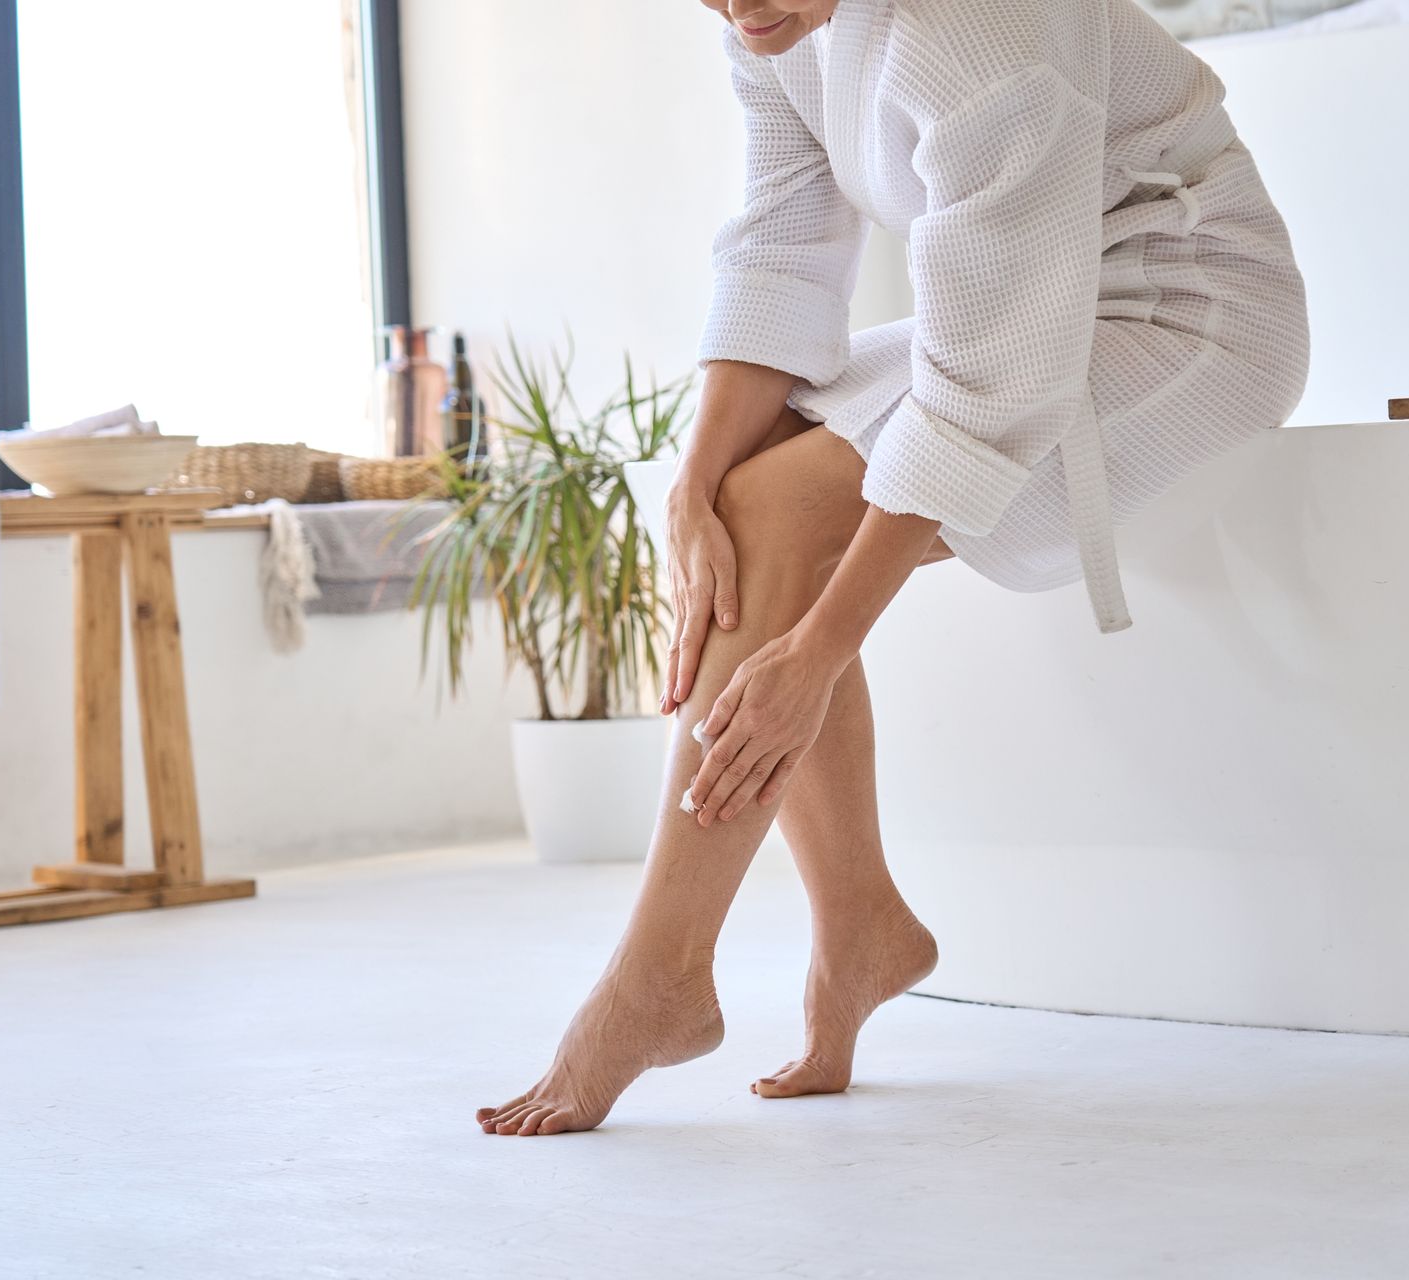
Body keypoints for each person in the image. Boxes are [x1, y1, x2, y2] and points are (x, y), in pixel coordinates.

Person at [476, 0, 1310, 1137]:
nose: (737, 4)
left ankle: (660, 973)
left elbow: (991, 381)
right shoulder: (769, 16)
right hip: (1035, 303)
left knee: (779, 508)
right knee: (744, 478)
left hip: (1184, 307)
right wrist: (694, 481)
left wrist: (819, 649)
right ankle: (859, 922)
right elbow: (785, 232)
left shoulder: (978, 36)